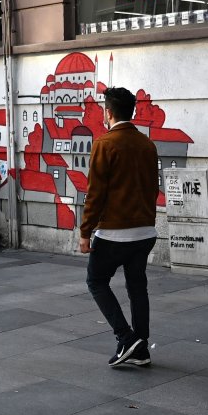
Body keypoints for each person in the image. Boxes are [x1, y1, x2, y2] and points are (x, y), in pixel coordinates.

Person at [79, 87, 160, 367]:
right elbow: (153, 188)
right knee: (138, 288)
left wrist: (85, 231)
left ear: (108, 112)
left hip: (114, 231)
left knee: (96, 281)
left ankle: (126, 338)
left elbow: (96, 193)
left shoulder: (105, 143)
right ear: (133, 111)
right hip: (145, 230)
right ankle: (142, 349)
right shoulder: (147, 145)